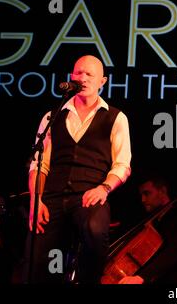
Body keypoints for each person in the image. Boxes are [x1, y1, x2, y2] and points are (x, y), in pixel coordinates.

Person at [24, 55, 132, 283]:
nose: (83, 78)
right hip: (52, 197)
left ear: (102, 81)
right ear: (71, 77)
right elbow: (39, 164)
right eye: (78, 73)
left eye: (89, 74)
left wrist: (104, 188)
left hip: (88, 196)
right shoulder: (52, 116)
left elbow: (122, 164)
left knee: (94, 228)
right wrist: (37, 199)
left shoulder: (115, 118)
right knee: (37, 260)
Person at [117, 174, 177, 284]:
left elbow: (176, 249)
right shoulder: (152, 220)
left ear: (162, 191)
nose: (143, 200)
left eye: (147, 193)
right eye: (141, 195)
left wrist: (142, 277)